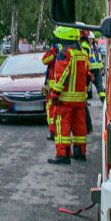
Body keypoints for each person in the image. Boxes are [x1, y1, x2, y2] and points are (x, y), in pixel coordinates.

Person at [47, 27, 90, 164]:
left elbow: (62, 76)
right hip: (80, 99)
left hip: (64, 100)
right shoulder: (83, 53)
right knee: (79, 126)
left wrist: (55, 94)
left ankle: (63, 155)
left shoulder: (65, 54)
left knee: (61, 126)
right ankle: (80, 152)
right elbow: (87, 75)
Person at [41, 29, 64, 141]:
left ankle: (53, 131)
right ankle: (60, 131)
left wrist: (52, 50)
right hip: (65, 87)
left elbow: (44, 60)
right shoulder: (69, 49)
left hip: (52, 87)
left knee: (51, 110)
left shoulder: (55, 50)